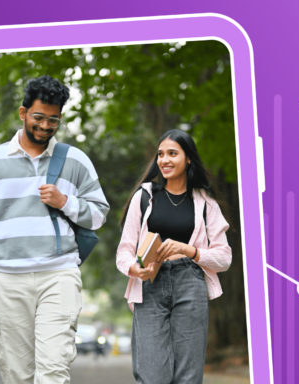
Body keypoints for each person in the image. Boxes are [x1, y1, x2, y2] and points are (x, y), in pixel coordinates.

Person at [0, 75, 110, 384]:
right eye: (39, 118)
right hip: (5, 278)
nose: (45, 126)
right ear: (23, 113)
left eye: (53, 120)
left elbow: (99, 215)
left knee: (53, 370)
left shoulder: (75, 161)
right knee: (17, 375)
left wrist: (65, 202)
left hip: (58, 275)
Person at [116, 129, 232, 384]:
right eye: (160, 154)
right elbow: (124, 250)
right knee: (151, 374)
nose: (164, 160)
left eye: (172, 153)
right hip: (150, 284)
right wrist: (135, 269)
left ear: (188, 158)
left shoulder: (205, 203)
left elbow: (224, 258)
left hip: (190, 283)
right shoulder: (145, 197)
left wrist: (188, 249)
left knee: (188, 377)